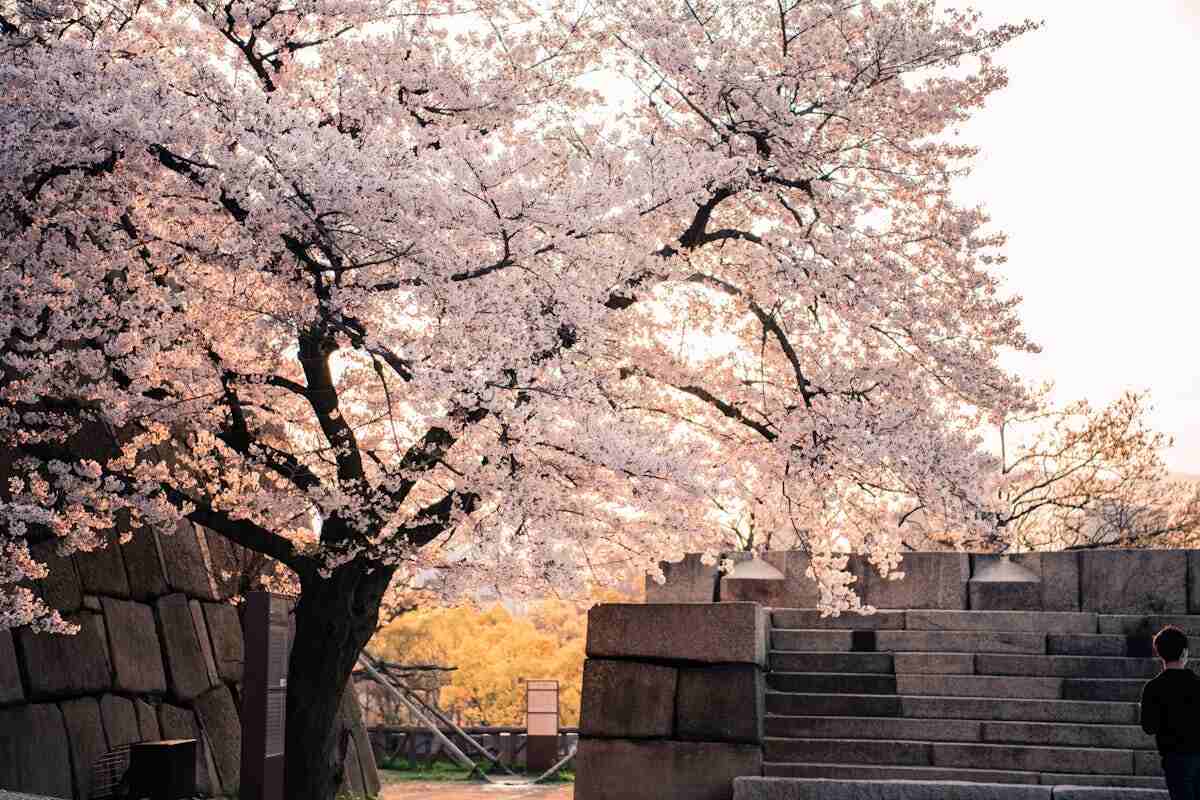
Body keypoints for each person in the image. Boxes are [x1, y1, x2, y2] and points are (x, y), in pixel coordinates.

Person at [1141, 625, 1200, 800]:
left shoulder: (1153, 688)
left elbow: (1148, 727)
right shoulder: (1198, 685)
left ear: (1159, 653)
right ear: (1184, 653)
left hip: (1174, 757)